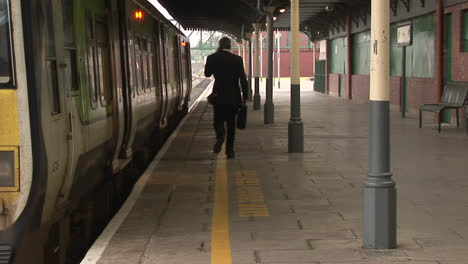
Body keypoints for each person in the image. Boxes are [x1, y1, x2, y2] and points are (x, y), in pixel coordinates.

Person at [204, 37, 248, 159]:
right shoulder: (237, 59)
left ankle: (220, 136)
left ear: (219, 45)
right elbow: (243, 80)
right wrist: (245, 96)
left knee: (217, 121)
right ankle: (230, 151)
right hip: (234, 97)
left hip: (218, 96)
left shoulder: (212, 58)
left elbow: (207, 74)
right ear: (230, 46)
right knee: (231, 125)